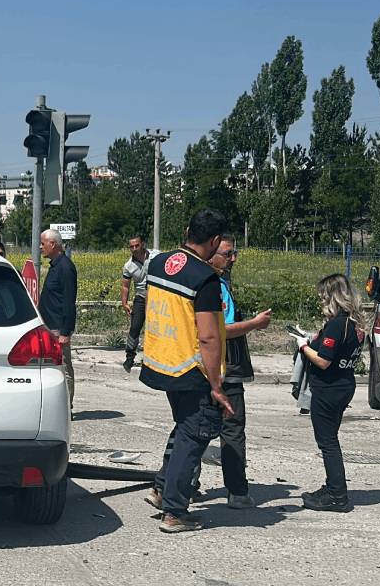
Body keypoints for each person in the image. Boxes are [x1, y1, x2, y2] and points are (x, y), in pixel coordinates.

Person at [138, 209, 233, 533]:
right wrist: (217, 385)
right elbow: (207, 335)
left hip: (163, 361)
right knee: (194, 436)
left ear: (187, 230)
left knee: (184, 429)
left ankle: (162, 490)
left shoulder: (158, 262)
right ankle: (174, 511)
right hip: (192, 370)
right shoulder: (204, 278)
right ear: (215, 240)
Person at [206, 237, 271, 509]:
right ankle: (237, 492)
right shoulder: (215, 287)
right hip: (224, 370)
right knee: (232, 430)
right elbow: (223, 330)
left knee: (194, 429)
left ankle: (175, 487)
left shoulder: (206, 283)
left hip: (203, 368)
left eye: (235, 253)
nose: (234, 258)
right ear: (213, 255)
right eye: (228, 254)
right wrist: (254, 324)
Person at [293, 274, 366, 513]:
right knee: (330, 439)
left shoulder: (336, 325)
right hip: (344, 385)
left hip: (328, 389)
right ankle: (332, 487)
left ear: (332, 297)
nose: (320, 301)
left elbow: (323, 361)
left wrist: (303, 346)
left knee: (328, 443)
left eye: (323, 297)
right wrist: (314, 338)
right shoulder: (354, 324)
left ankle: (337, 495)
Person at [38, 229, 77, 408]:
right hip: (47, 326)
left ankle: (66, 408)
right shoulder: (55, 265)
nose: (40, 247)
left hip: (58, 328)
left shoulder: (65, 267)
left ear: (53, 244)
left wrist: (65, 332)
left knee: (63, 368)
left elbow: (69, 302)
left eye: (43, 243)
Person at [120, 235, 158, 371]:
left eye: (137, 245)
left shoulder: (156, 256)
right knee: (135, 328)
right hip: (141, 298)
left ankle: (156, 358)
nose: (134, 249)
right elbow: (125, 285)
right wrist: (124, 303)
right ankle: (129, 357)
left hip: (157, 298)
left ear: (143, 244)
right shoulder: (128, 266)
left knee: (156, 328)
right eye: (131, 246)